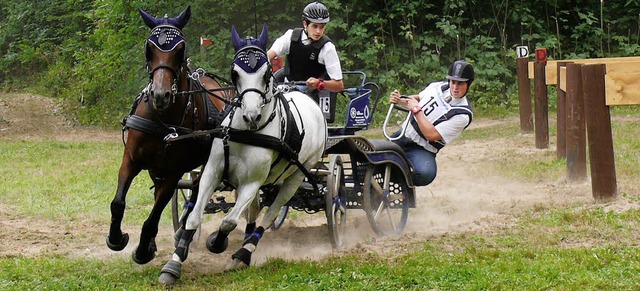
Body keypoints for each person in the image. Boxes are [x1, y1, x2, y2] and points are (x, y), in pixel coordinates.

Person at [389, 60, 474, 186]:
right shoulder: (437, 87)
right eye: (453, 82)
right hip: (403, 135)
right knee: (373, 156)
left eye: (460, 83)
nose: (455, 87)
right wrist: (400, 100)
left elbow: (432, 135)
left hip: (422, 149)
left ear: (468, 84)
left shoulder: (463, 114)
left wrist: (416, 110)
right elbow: (418, 98)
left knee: (425, 173)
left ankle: (399, 185)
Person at [267, 2, 344, 122]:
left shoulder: (327, 48)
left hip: (313, 96)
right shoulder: (290, 37)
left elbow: (339, 85)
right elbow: (269, 55)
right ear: (305, 24)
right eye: (315, 26)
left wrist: (320, 82)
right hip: (287, 91)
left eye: (322, 27)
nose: (318, 31)